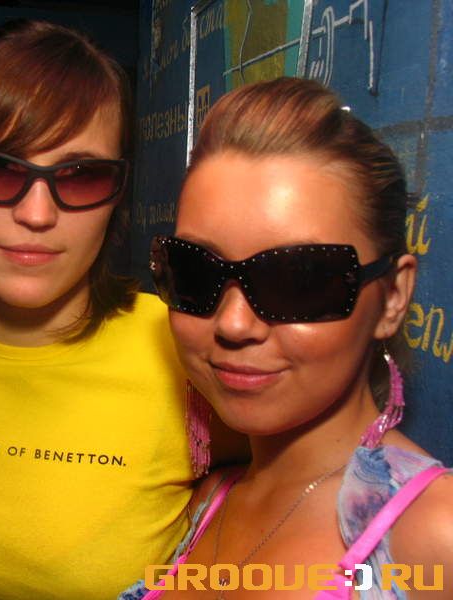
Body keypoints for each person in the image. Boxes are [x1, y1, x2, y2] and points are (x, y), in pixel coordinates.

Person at [0, 19, 222, 600]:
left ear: (118, 189)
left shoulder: (178, 348)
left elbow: (311, 468)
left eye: (81, 175)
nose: (37, 214)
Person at [131, 77, 452, 599]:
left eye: (298, 280)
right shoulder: (208, 501)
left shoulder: (435, 534)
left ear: (393, 297)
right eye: (194, 271)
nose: (234, 324)